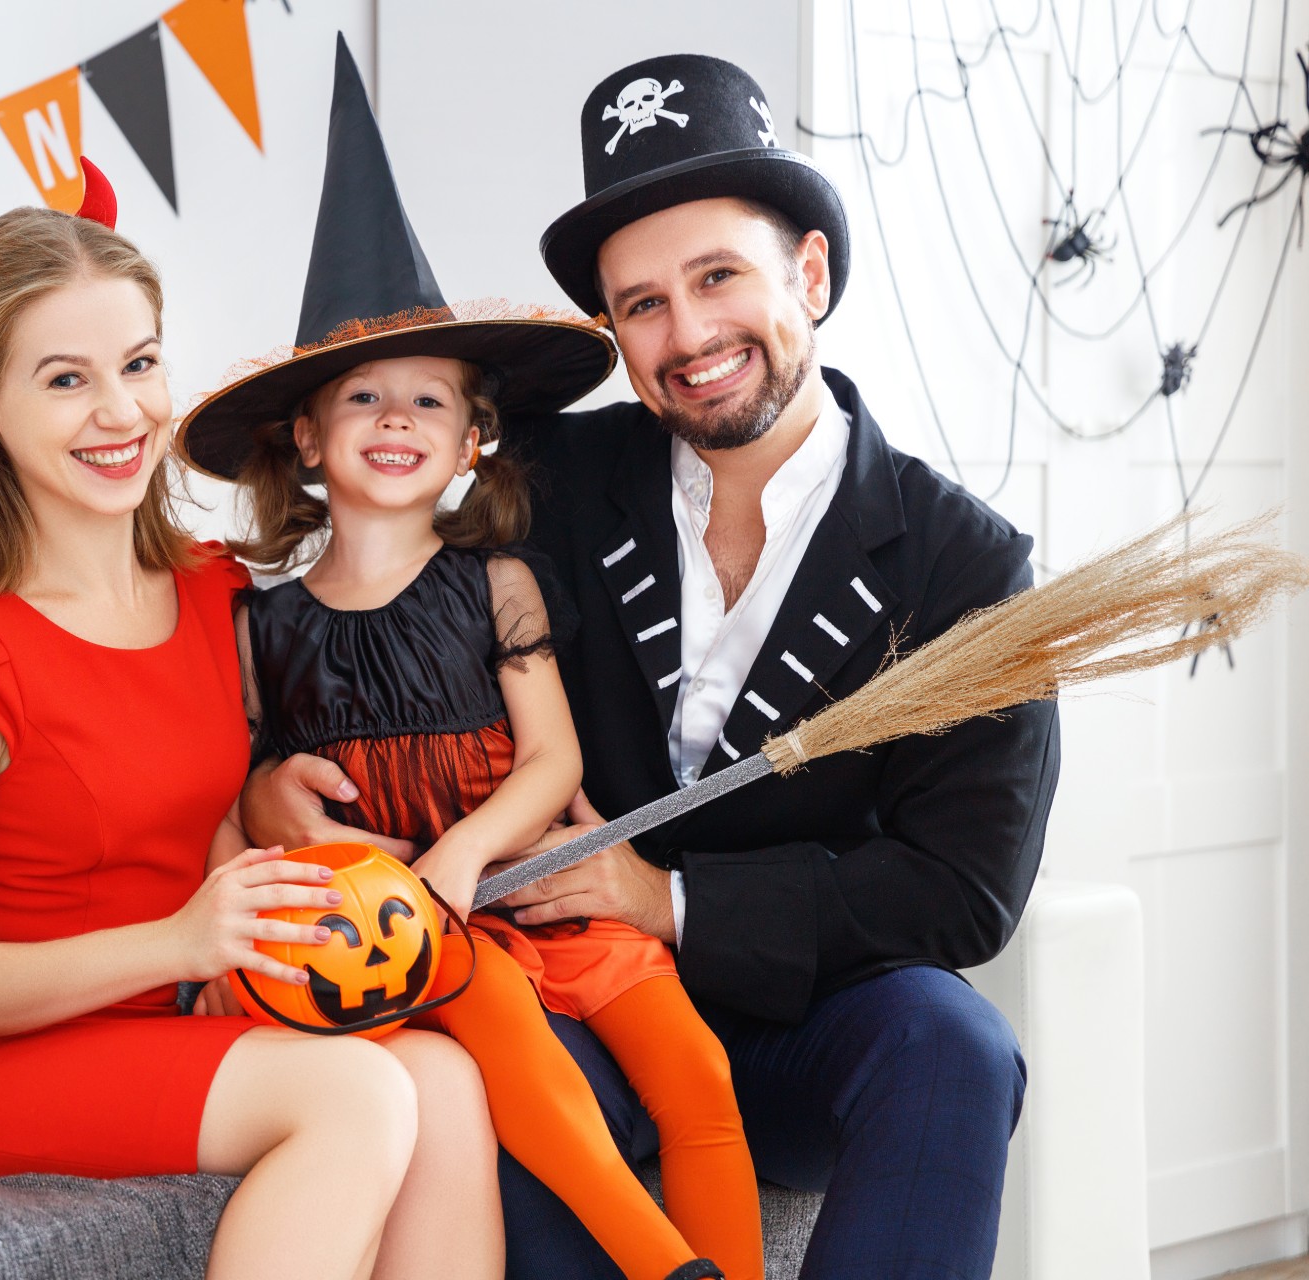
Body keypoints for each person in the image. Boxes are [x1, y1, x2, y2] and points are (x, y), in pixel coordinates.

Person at [242, 53, 1059, 1280]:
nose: (687, 336)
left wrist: (669, 902)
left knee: (953, 1043)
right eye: (641, 304)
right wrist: (267, 794)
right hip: (563, 1002)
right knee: (478, 1083)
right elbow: (383, 618)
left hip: (797, 1018)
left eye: (718, 276)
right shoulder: (550, 488)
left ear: (812, 272)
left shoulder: (969, 565)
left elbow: (965, 889)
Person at [0, 164, 504, 1280]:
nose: (121, 413)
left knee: (446, 1082)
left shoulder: (215, 592)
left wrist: (274, 857)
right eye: (65, 380)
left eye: (139, 363)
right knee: (356, 1091)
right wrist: (180, 941)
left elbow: (203, 817)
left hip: (153, 1019)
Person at [179, 40, 760, 1280]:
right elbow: (240, 783)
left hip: (524, 879)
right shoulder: (260, 620)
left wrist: (463, 849)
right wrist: (262, 805)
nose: (396, 420)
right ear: (309, 436)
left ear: (474, 441)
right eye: (363, 399)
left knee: (697, 1071)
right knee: (526, 1063)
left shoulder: (496, 583)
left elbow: (551, 758)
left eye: (430, 401)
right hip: (416, 928)